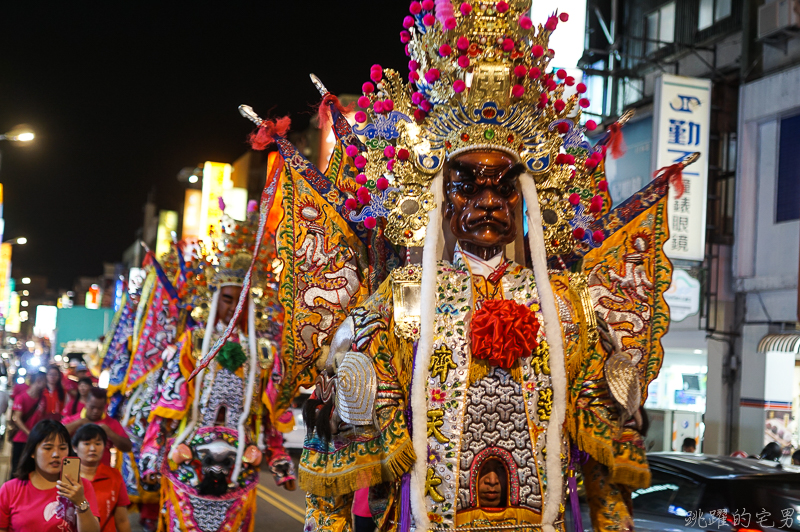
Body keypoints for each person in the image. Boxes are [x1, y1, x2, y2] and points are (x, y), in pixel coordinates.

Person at [0, 419, 100, 532]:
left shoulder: (80, 487)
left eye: (62, 448)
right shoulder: (10, 489)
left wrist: (80, 502)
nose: (56, 454)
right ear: (32, 452)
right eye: (47, 448)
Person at [73, 424, 131, 532]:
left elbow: (122, 520)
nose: (92, 448)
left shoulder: (114, 476)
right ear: (75, 447)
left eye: (98, 443)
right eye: (86, 443)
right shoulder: (67, 477)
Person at [63, 388, 132, 466]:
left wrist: (110, 433)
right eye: (92, 407)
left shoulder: (111, 423)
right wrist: (78, 423)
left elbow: (128, 447)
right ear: (86, 402)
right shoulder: (72, 420)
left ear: (105, 406)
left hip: (102, 472)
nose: (96, 411)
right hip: (73, 470)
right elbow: (56, 436)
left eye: (100, 408)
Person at [10, 372, 47, 474]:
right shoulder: (21, 397)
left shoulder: (42, 399)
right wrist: (29, 433)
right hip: (20, 440)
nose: (46, 383)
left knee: (30, 469)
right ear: (38, 380)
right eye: (45, 380)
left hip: (35, 440)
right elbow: (16, 418)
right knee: (16, 469)